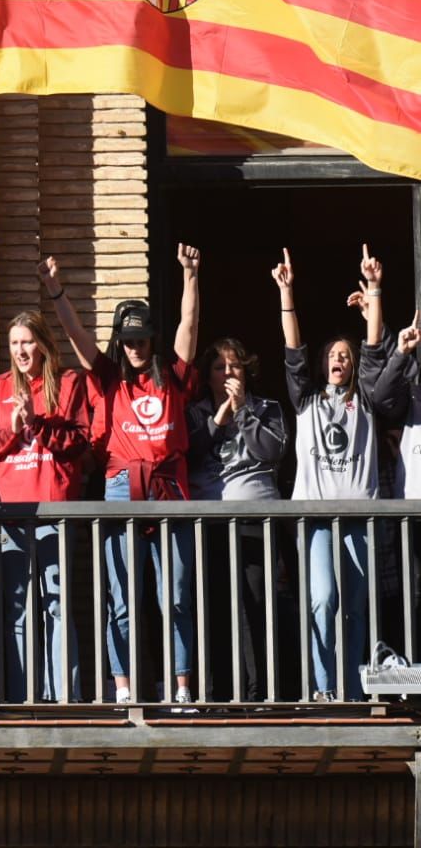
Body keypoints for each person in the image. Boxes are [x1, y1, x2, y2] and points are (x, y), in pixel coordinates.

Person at [42, 245, 201, 706]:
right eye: (127, 340)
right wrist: (56, 290)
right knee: (122, 599)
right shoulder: (109, 376)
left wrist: (191, 276)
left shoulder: (171, 374)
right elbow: (76, 337)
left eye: (142, 339)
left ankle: (181, 688)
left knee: (174, 595)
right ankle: (125, 688)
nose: (135, 347)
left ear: (152, 339)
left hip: (169, 489)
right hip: (119, 489)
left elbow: (188, 329)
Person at [274, 246, 391, 702]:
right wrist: (287, 293)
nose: (338, 360)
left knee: (356, 607)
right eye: (333, 356)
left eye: (345, 355)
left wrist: (375, 293)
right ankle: (324, 688)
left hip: (359, 518)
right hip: (317, 519)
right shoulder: (307, 401)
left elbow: (377, 349)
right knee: (323, 599)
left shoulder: (364, 398)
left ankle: (353, 690)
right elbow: (293, 352)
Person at [0, 311, 91, 702]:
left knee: (57, 605)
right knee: (18, 609)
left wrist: (37, 424)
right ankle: (20, 697)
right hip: (10, 512)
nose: (21, 350)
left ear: (42, 343)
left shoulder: (69, 382)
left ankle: (64, 698)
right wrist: (13, 424)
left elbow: (79, 441)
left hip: (53, 508)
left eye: (27, 342)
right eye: (14, 344)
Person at [186, 337, 288, 703]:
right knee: (213, 604)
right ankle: (216, 694)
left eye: (235, 366)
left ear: (247, 372)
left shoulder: (266, 407)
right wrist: (218, 419)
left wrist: (243, 411)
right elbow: (188, 454)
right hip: (208, 524)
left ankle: (260, 693)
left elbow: (271, 451)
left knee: (256, 605)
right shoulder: (194, 413)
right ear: (207, 376)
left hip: (255, 522)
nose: (228, 373)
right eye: (220, 367)